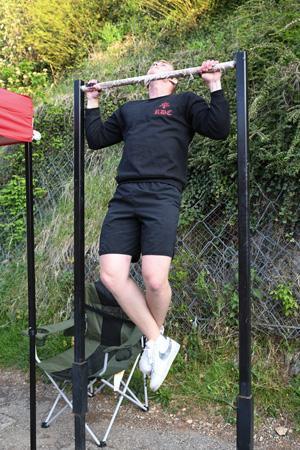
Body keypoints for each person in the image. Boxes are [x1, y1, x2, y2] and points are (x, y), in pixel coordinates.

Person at [84, 59, 230, 391]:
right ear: (144, 79)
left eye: (164, 65)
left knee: (154, 278)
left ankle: (155, 342)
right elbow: (95, 138)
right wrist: (93, 102)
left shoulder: (184, 102)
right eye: (153, 65)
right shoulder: (131, 109)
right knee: (110, 274)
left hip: (162, 193)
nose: (156, 65)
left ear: (175, 80)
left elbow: (219, 129)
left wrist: (214, 84)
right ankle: (157, 341)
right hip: (125, 195)